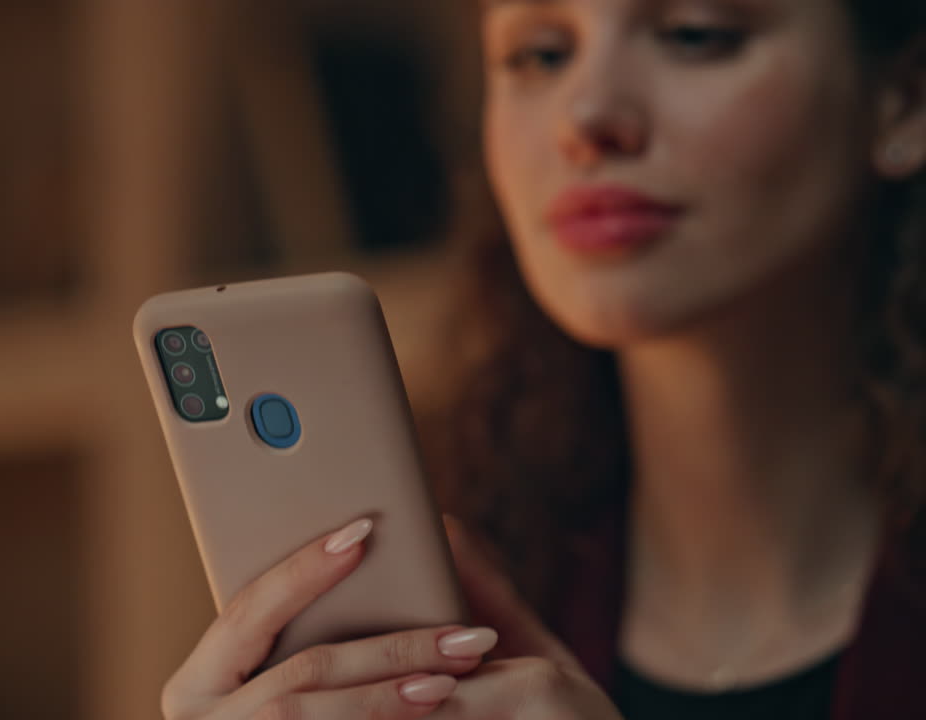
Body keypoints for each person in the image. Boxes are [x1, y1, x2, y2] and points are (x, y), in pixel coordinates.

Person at [160, 0, 926, 718]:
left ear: (903, 100)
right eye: (538, 54)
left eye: (694, 34)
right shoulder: (445, 591)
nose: (586, 117)